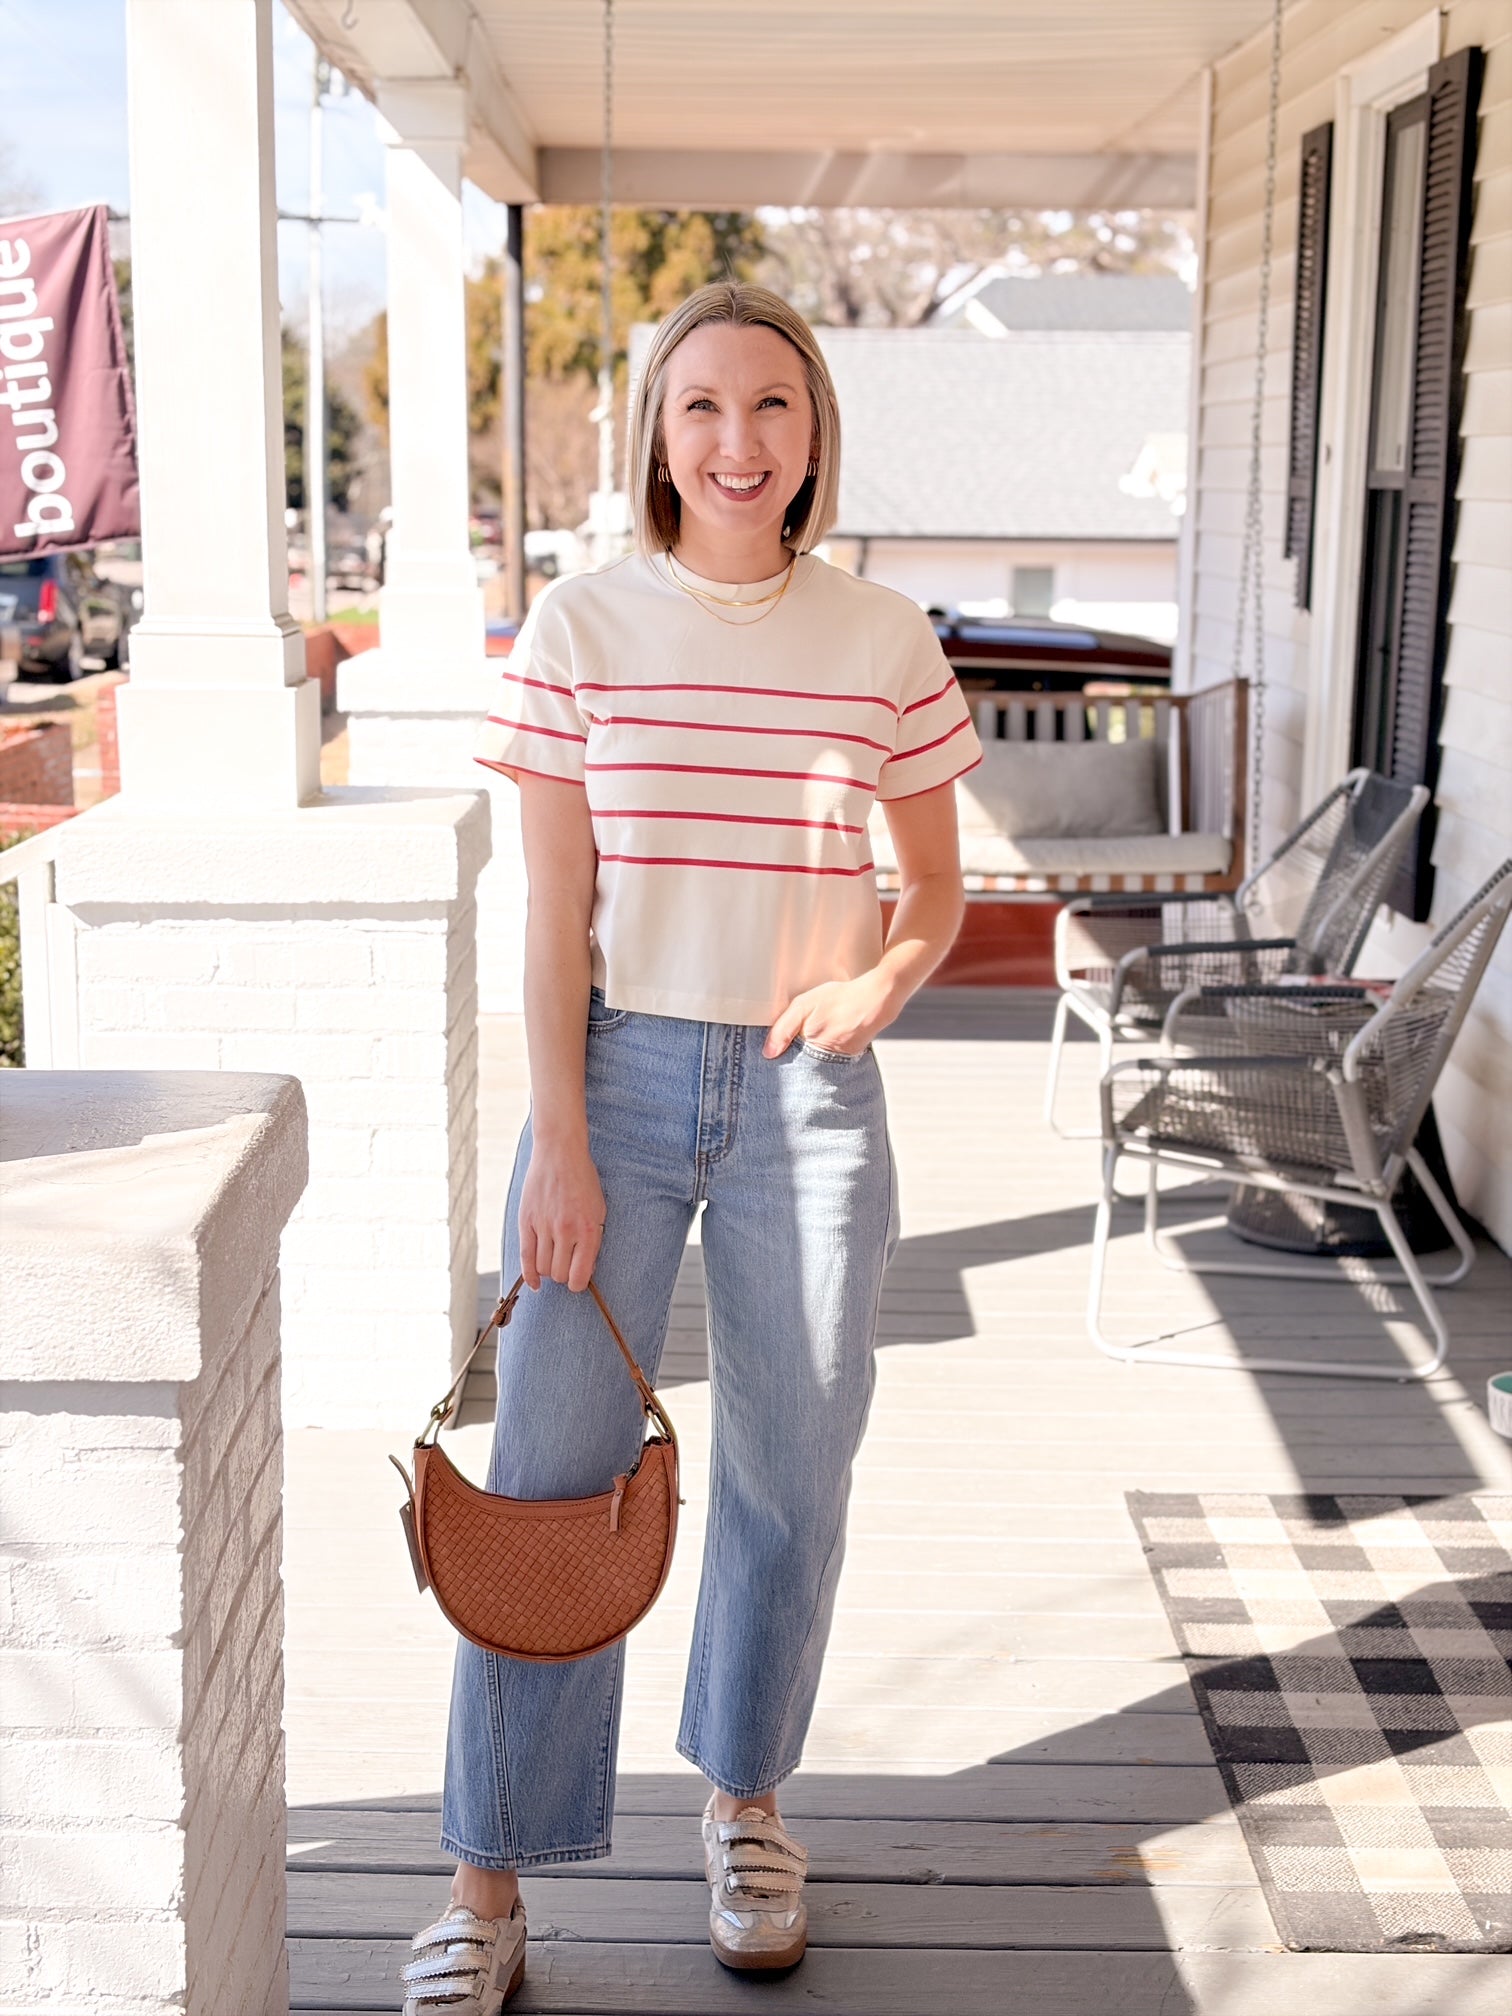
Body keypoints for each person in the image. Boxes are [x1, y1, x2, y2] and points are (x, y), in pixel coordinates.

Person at [401, 281, 980, 2014]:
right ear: (658, 429)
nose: (741, 442)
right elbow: (552, 908)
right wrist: (558, 1136)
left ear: (816, 437)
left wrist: (879, 978)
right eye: (705, 407)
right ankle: (486, 1881)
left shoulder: (884, 637)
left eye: (775, 408)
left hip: (812, 1098)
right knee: (554, 1483)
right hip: (620, 1082)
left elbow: (938, 890)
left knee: (790, 1481)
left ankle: (744, 1804)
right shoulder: (581, 628)